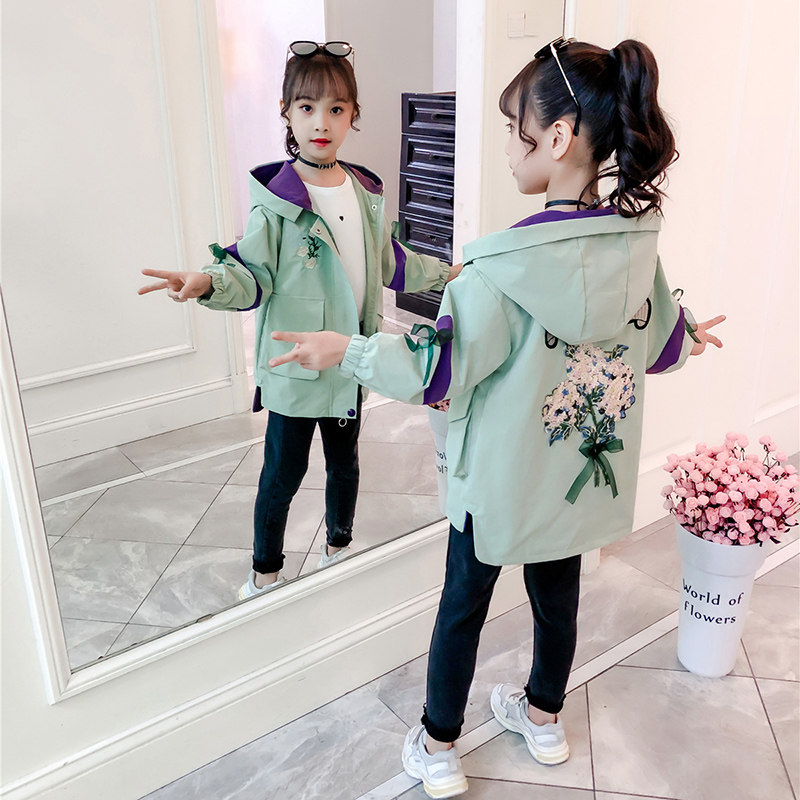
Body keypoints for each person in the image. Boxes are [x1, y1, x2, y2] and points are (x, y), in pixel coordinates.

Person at [268, 37, 725, 799]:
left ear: (558, 137)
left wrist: (345, 349)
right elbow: (658, 343)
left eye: (517, 131)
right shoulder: (636, 252)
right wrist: (691, 334)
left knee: (463, 609)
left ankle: (438, 745)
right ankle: (543, 719)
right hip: (577, 483)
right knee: (558, 602)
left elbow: (434, 371)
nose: (510, 149)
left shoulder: (497, 271)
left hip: (500, 484)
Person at [139, 40, 456, 601]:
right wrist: (207, 281)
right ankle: (264, 572)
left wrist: (446, 274)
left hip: (349, 359)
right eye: (307, 107)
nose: (321, 122)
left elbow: (390, 261)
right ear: (286, 112)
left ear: (353, 115)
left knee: (345, 466)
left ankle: (339, 548)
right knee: (282, 474)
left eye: (336, 108)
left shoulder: (365, 191)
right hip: (294, 366)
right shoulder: (277, 199)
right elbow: (250, 271)